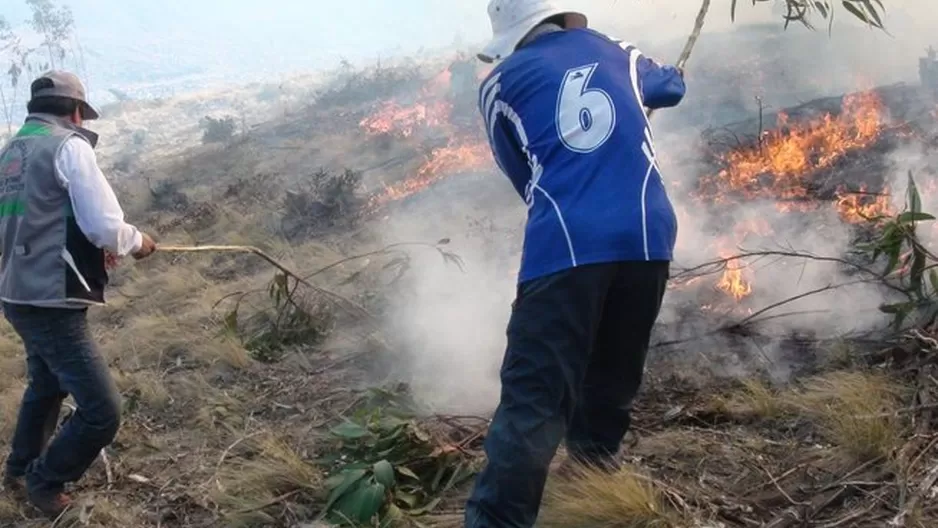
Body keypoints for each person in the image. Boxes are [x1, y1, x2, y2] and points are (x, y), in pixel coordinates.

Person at [465, 1, 686, 526]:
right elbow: (672, 87)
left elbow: (522, 174)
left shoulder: (499, 83)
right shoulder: (618, 52)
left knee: (534, 400)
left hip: (566, 242)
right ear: (563, 16)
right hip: (649, 235)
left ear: (512, 35)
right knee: (612, 374)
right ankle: (595, 482)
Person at [0, 71, 157, 516]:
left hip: (15, 293)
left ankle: (19, 466)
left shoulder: (9, 153)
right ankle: (44, 480)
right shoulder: (69, 147)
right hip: (50, 299)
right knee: (102, 410)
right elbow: (104, 225)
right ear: (75, 112)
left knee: (46, 383)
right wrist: (136, 241)